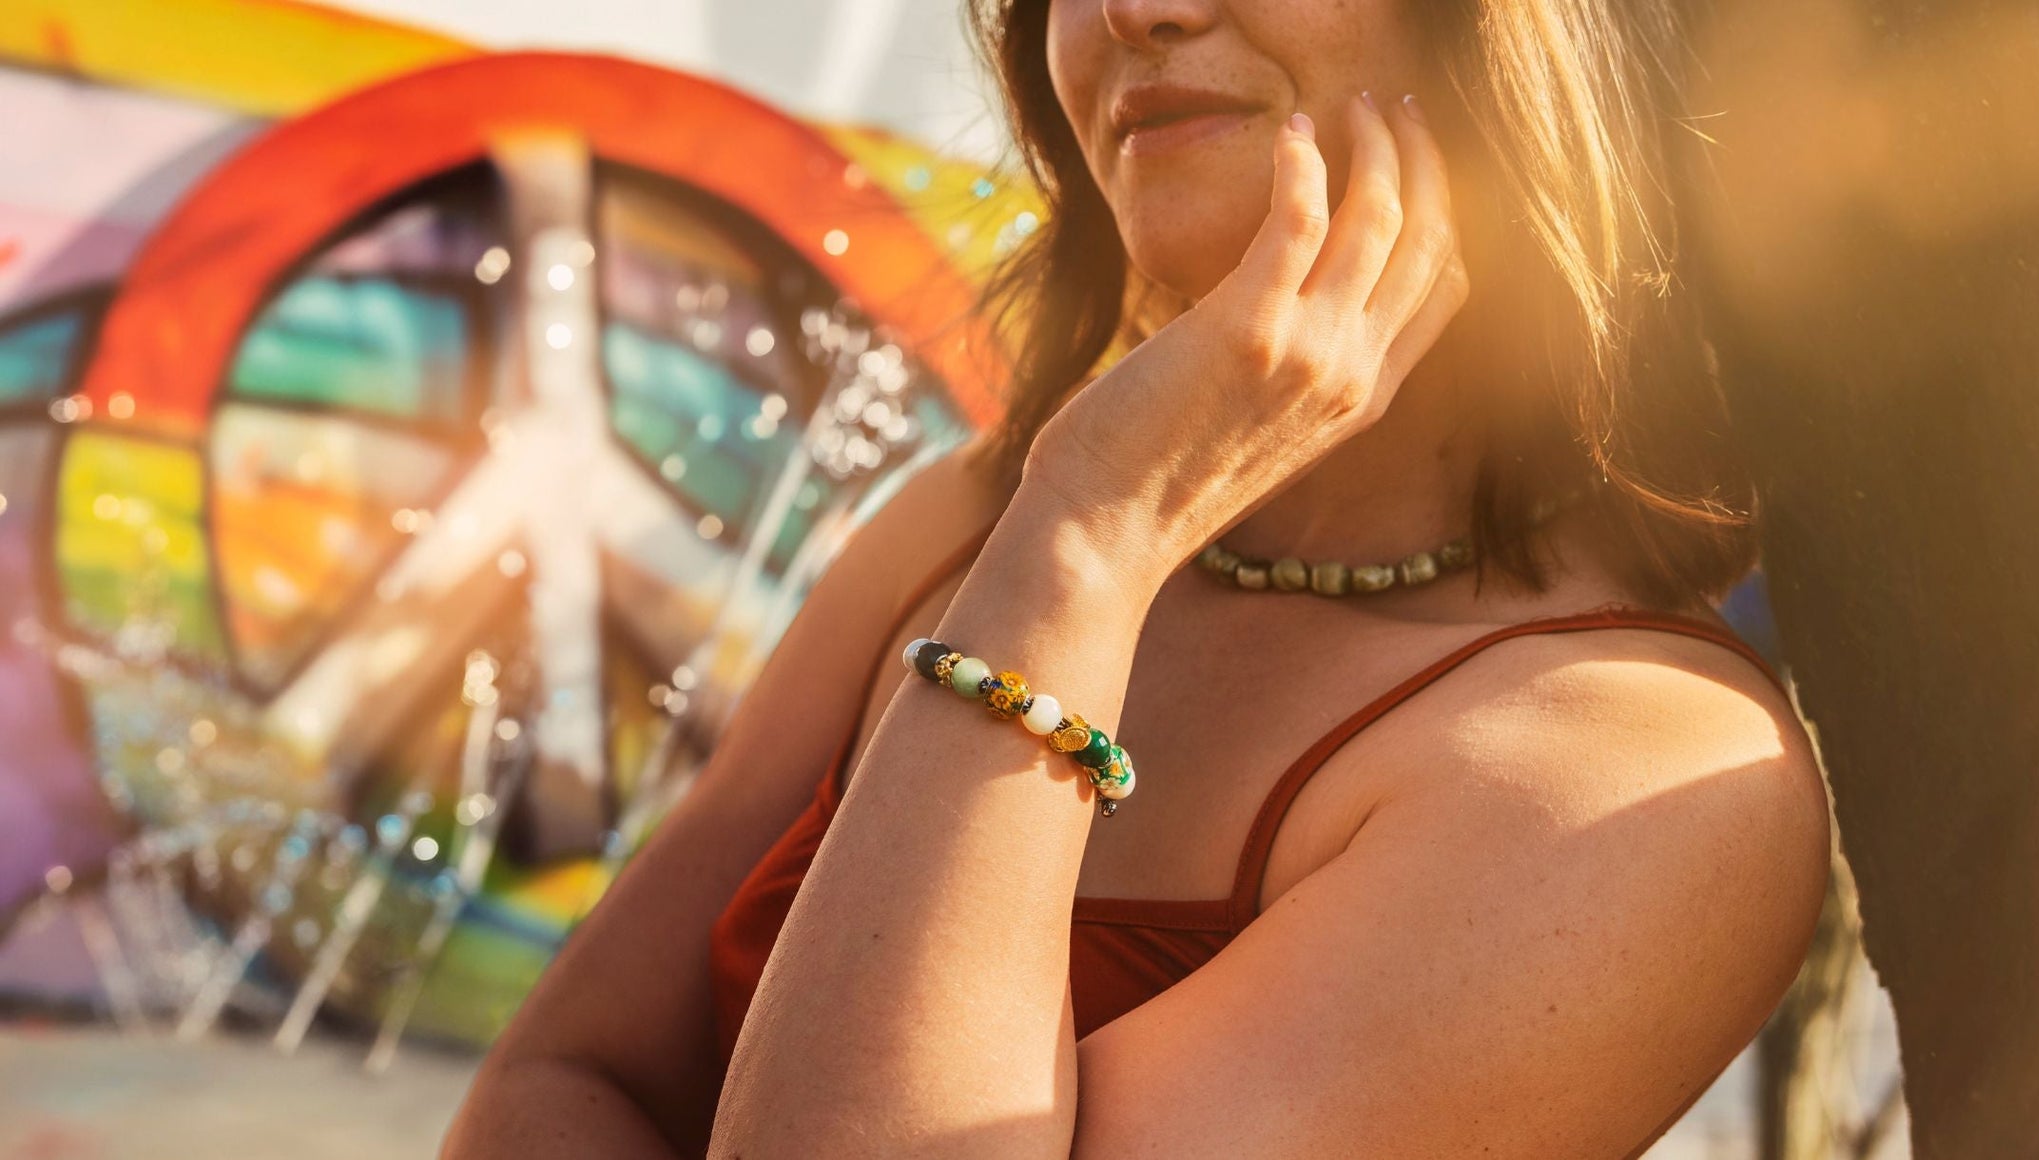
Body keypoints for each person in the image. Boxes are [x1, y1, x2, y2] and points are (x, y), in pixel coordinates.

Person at [446, 0, 1830, 1154]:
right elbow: (564, 1082)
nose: (1128, 11)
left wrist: (1096, 540)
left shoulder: (1638, 773)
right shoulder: (968, 516)